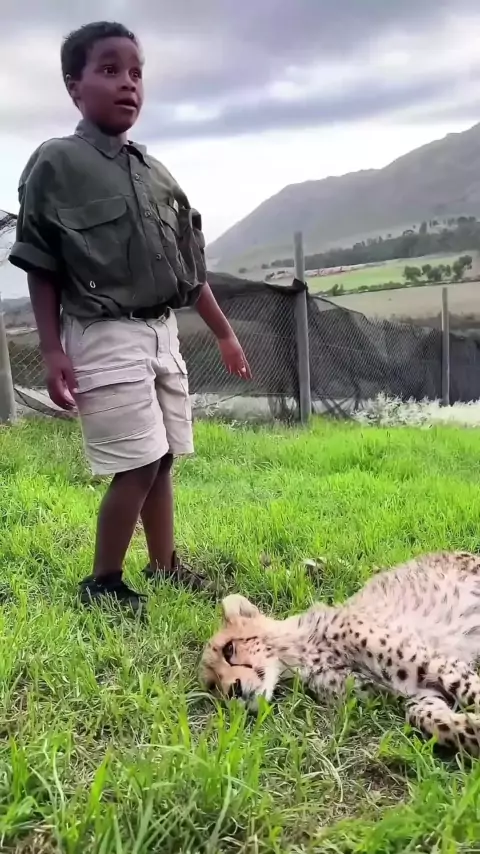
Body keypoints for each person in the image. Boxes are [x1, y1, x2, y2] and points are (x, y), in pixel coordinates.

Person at [9, 21, 251, 611]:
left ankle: (164, 566)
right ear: (75, 86)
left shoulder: (157, 174)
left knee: (162, 457)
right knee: (137, 462)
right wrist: (52, 350)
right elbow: (41, 264)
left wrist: (224, 334)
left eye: (137, 73)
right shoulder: (56, 163)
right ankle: (104, 582)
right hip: (103, 332)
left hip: (161, 333)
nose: (128, 84)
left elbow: (190, 270)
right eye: (110, 70)